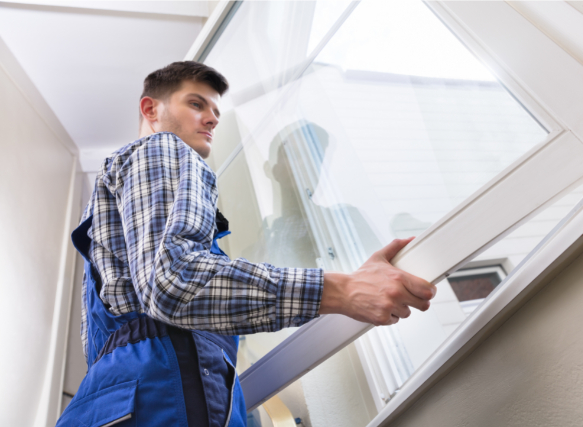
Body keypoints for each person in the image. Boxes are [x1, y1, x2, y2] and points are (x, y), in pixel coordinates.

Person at [56, 61, 436, 427]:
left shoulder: (111, 205)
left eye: (216, 112)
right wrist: (343, 289)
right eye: (195, 103)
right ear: (150, 109)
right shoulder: (163, 149)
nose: (211, 118)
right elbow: (173, 281)